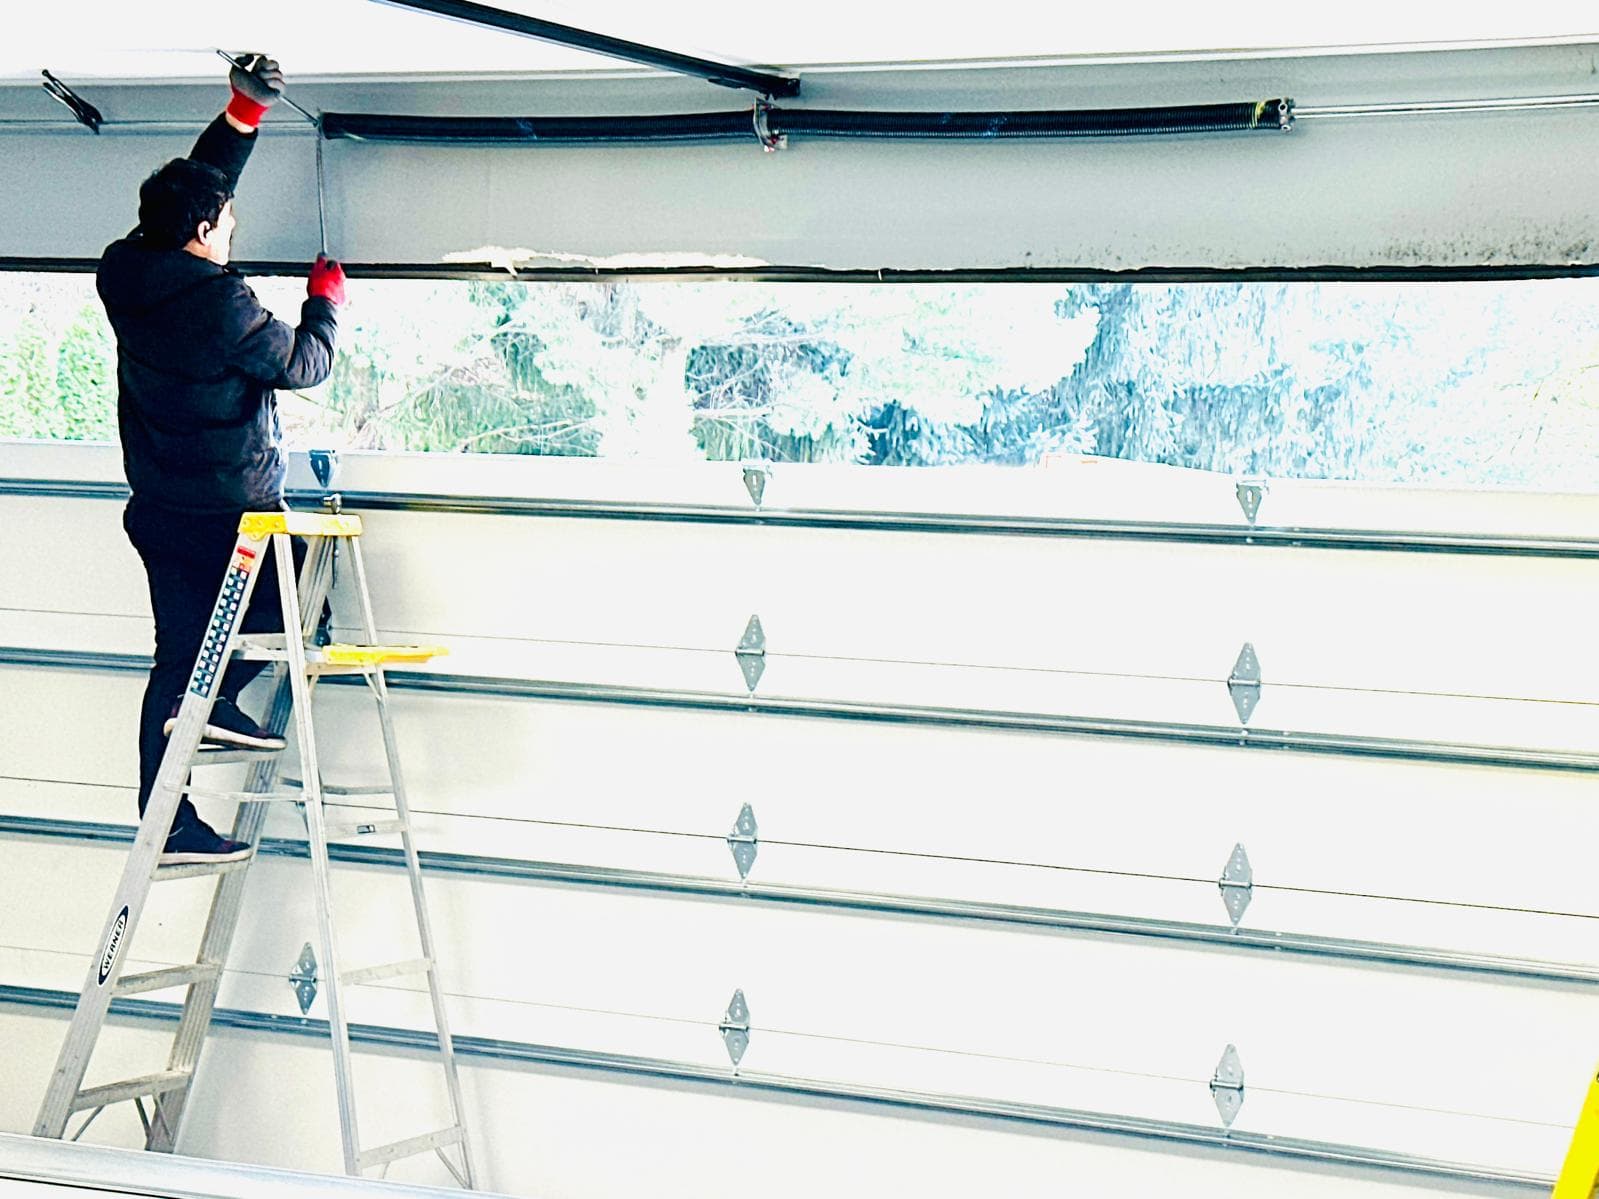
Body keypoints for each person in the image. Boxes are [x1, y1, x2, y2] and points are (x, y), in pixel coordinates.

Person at [97, 54, 346, 863]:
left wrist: (244, 114)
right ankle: (218, 702)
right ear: (203, 235)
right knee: (303, 597)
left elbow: (194, 188)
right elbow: (304, 365)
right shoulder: (220, 304)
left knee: (177, 655)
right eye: (227, 221)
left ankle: (164, 821)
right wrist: (326, 305)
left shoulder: (126, 269)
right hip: (229, 514)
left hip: (161, 507)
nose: (234, 227)